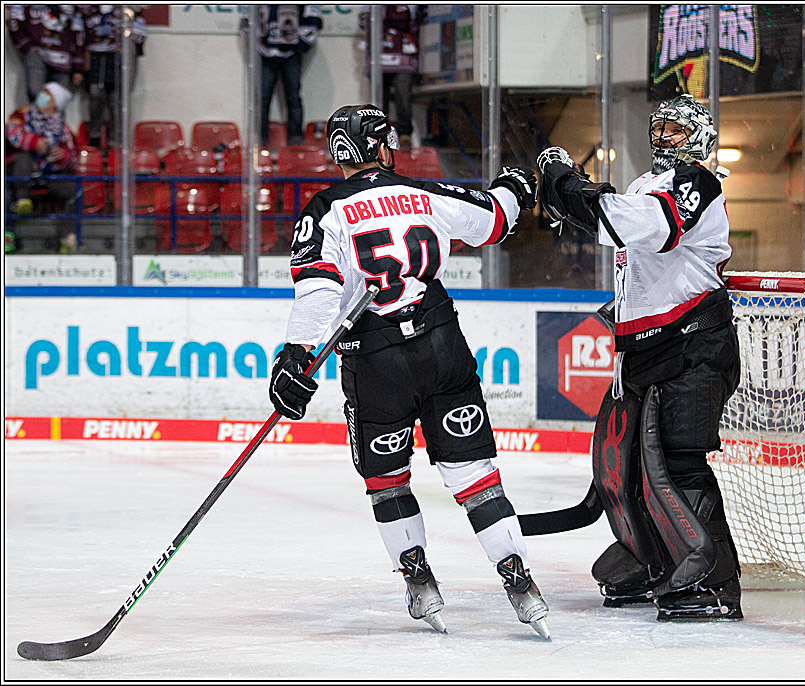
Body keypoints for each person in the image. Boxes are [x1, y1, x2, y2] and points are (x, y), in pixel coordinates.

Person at [268, 104, 550, 638]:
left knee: (386, 480)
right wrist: (515, 185)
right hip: (441, 344)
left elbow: (319, 289)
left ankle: (420, 581)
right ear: (378, 146)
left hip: (376, 362)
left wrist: (297, 355)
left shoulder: (323, 211)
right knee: (475, 477)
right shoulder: (425, 195)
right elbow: (493, 218)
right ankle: (520, 581)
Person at [535, 94, 743, 621]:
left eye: (674, 129)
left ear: (698, 135)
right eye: (658, 128)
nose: (662, 137)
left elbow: (640, 225)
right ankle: (655, 560)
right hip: (647, 350)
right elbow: (613, 228)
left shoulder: (699, 182)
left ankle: (715, 582)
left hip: (695, 345)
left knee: (679, 464)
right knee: (630, 468)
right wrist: (565, 195)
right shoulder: (642, 186)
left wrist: (570, 183)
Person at [5, 81, 79, 254]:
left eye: (48, 94)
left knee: (74, 188)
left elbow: (73, 156)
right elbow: (13, 136)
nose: (42, 96)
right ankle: (21, 206)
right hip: (17, 174)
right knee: (19, 167)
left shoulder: (62, 128)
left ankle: (67, 237)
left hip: (46, 174)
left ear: (55, 103)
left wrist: (62, 156)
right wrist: (34, 142)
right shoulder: (22, 115)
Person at [240, 5, 322, 147]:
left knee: (293, 98)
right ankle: (260, 141)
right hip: (264, 54)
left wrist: (299, 44)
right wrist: (256, 46)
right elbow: (246, 21)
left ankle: (296, 141)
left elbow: (314, 20)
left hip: (292, 55)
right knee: (262, 99)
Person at [81, 5, 147, 148]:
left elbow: (139, 36)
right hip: (96, 57)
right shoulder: (90, 9)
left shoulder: (128, 9)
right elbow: (80, 33)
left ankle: (116, 144)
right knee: (95, 95)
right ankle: (95, 138)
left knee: (117, 101)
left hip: (119, 58)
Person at [360, 5, 426, 147]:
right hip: (378, 59)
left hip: (404, 58)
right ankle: (379, 135)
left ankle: (405, 134)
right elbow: (364, 23)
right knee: (379, 101)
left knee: (403, 96)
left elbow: (420, 20)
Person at [6, 4, 87, 102]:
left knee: (58, 100)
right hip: (38, 55)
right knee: (37, 96)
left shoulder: (75, 10)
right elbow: (15, 23)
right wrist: (26, 45)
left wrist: (78, 68)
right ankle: (35, 116)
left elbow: (79, 37)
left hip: (63, 61)